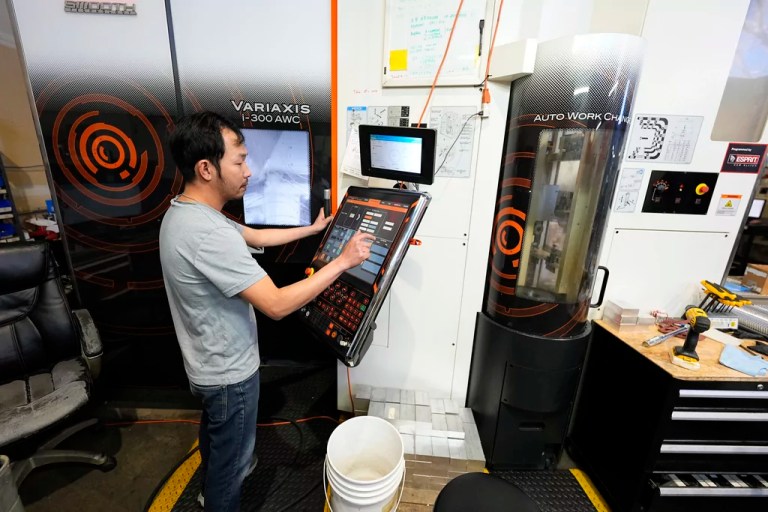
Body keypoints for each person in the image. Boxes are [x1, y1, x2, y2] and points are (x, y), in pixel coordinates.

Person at [159, 111, 374, 511]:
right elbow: (276, 304)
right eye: (239, 161)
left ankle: (209, 489)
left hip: (205, 366)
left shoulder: (185, 213)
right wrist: (342, 262)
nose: (248, 170)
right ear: (206, 168)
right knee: (233, 465)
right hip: (229, 375)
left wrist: (312, 230)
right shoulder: (208, 234)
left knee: (216, 438)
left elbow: (256, 235)